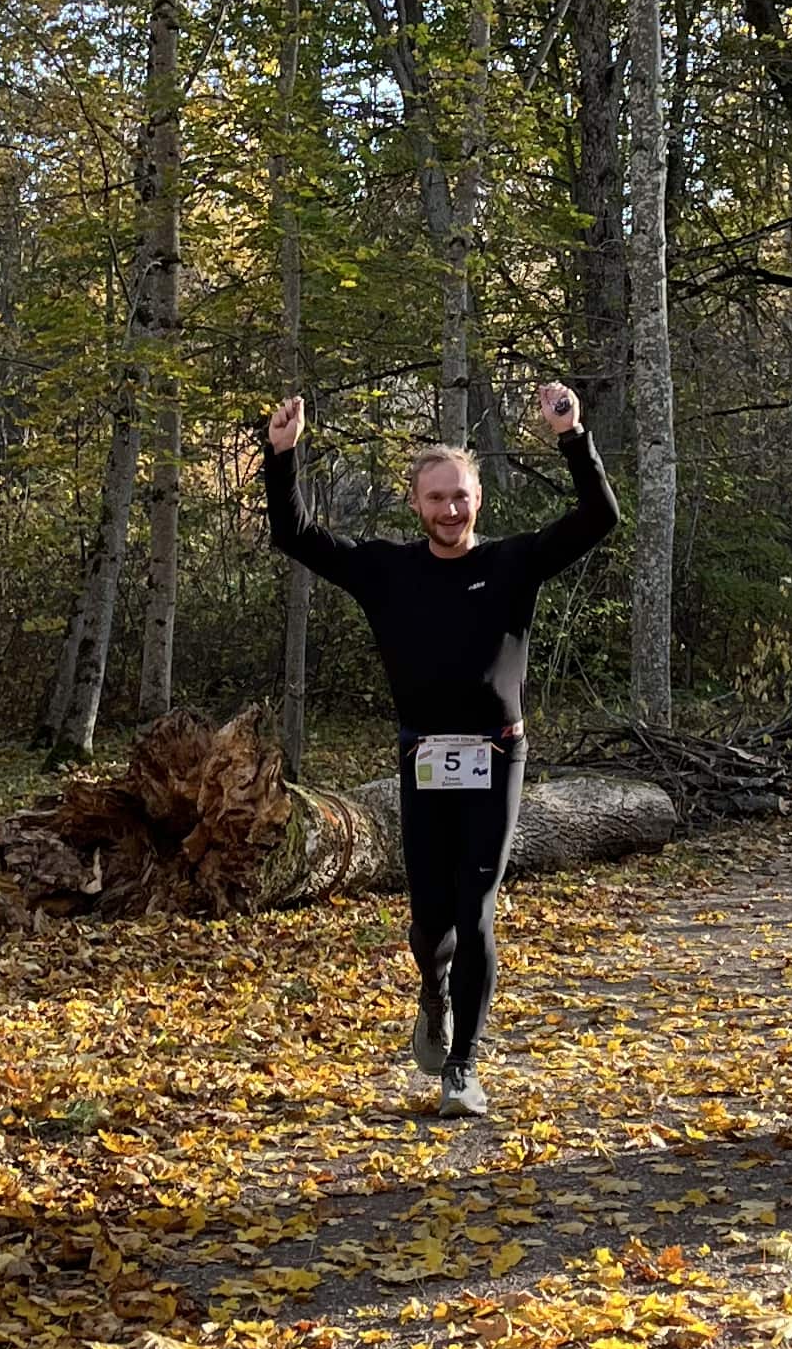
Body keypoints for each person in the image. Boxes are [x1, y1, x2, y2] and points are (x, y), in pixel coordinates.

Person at [261, 382, 618, 1118]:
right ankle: (433, 989)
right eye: (435, 499)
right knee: (431, 917)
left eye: (460, 497)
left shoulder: (516, 562)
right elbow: (295, 534)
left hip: (498, 755)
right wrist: (283, 455)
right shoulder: (387, 571)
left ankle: (463, 1068)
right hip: (424, 759)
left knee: (476, 905)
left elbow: (598, 517)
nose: (449, 511)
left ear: (478, 499)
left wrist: (572, 436)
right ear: (416, 505)